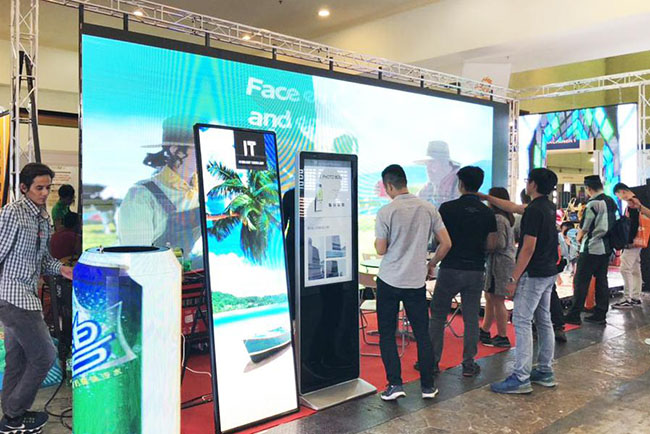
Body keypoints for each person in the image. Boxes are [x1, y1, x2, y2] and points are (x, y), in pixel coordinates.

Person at [0, 163, 73, 432]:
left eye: (47, 188)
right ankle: (14, 412)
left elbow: (43, 260)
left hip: (26, 294)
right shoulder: (13, 213)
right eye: (39, 188)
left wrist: (64, 270)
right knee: (45, 355)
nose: (44, 193)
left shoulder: (42, 217)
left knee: (17, 359)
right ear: (24, 187)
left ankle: (12, 419)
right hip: (13, 297)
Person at [374, 164, 451, 401]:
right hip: (415, 281)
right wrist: (431, 264)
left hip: (389, 279)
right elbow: (446, 243)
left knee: (387, 334)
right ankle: (428, 386)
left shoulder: (386, 211)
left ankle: (395, 384)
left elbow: (381, 249)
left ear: (389, 186)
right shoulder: (428, 208)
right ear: (404, 182)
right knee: (422, 334)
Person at [488, 168, 559, 394]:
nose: (527, 184)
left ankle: (521, 377)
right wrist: (484, 196)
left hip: (533, 273)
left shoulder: (534, 211)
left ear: (534, 185)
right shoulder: (547, 207)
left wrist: (513, 278)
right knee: (544, 319)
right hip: (548, 271)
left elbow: (528, 248)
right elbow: (512, 206)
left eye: (529, 181)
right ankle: (545, 370)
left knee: (521, 321)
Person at [429, 166, 497, 378]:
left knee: (438, 316)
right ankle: (468, 363)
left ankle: (432, 362)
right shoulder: (487, 212)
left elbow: (438, 240)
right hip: (475, 270)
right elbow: (492, 244)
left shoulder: (447, 208)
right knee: (471, 318)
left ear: (460, 184)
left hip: (450, 267)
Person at [117, 116, 202, 268]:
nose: (206, 153)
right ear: (176, 151)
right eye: (199, 147)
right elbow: (138, 260)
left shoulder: (204, 190)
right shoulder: (141, 195)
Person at [564, 175, 617, 325]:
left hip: (591, 247)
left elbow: (584, 227)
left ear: (588, 188)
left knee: (581, 281)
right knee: (601, 280)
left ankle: (574, 314)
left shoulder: (593, 203)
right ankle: (600, 313)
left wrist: (578, 238)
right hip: (606, 247)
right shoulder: (610, 201)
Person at [479, 187, 515, 348]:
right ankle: (485, 329)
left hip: (500, 263)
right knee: (490, 296)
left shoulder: (498, 220)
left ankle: (502, 335)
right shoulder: (506, 218)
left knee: (497, 299)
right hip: (500, 262)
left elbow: (499, 243)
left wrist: (484, 245)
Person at [613, 183, 643, 309]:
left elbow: (633, 224)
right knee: (635, 268)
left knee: (625, 269)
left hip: (633, 241)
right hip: (640, 240)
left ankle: (627, 298)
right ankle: (635, 296)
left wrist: (629, 241)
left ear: (622, 191)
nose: (619, 198)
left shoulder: (632, 203)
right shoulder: (639, 199)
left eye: (618, 195)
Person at [415, 141, 460, 207]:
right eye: (427, 164)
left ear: (445, 164)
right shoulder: (429, 186)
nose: (428, 168)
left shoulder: (458, 185)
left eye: (432, 163)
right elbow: (415, 203)